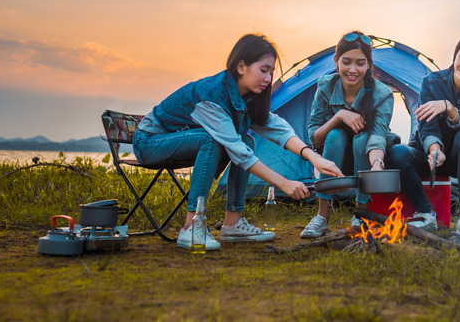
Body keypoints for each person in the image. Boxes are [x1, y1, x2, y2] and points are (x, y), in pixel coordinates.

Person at [133, 34, 342, 250]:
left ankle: (233, 223)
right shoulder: (213, 96)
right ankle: (191, 227)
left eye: (271, 72)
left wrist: (314, 158)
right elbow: (238, 153)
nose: (269, 79)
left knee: (247, 140)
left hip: (181, 142)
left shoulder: (246, 98)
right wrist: (283, 183)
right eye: (263, 70)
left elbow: (278, 129)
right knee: (212, 141)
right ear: (241, 66)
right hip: (150, 142)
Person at [386, 32, 460, 240]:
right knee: (397, 153)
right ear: (456, 54)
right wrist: (434, 149)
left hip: (459, 159)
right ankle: (426, 213)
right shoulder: (432, 82)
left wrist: (448, 107)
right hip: (428, 155)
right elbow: (426, 125)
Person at [300, 31, 396, 238]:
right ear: (336, 61)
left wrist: (378, 164)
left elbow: (378, 137)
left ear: (369, 65)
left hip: (367, 155)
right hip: (333, 155)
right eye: (346, 62)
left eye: (360, 63)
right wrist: (339, 117)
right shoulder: (325, 87)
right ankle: (322, 217)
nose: (353, 70)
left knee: (362, 138)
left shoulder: (382, 94)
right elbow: (314, 139)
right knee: (335, 135)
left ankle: (361, 215)